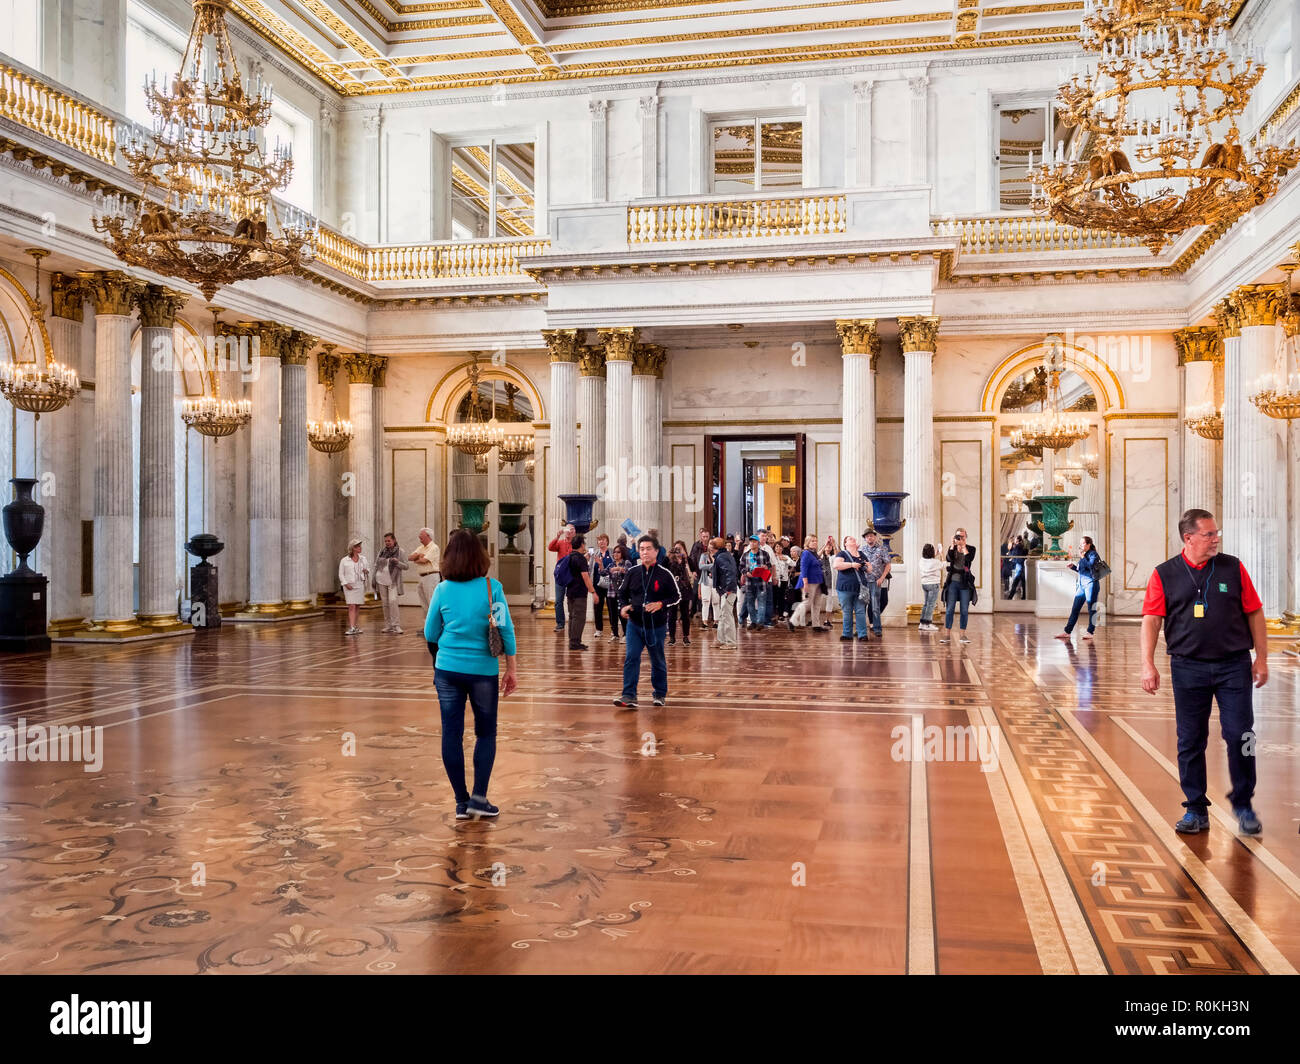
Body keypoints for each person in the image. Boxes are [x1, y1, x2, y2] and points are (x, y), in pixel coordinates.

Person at [1141, 509, 1268, 836]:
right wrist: (1147, 663)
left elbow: (1254, 612)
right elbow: (1152, 620)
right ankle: (1195, 809)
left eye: (1216, 534)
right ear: (1189, 537)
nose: (1216, 540)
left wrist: (1261, 658)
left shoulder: (1233, 567)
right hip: (1187, 667)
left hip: (1234, 665)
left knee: (1242, 735)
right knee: (1190, 739)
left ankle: (1243, 802)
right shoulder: (1164, 574)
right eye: (1209, 534)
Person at [424, 528, 518, 821]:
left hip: (448, 669)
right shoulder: (493, 588)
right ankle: (479, 797)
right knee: (485, 732)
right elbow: (505, 629)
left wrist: (443, 654)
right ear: (481, 557)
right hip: (483, 672)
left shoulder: (442, 589)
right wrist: (511, 669)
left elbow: (430, 632)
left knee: (451, 733)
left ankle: (461, 803)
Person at [614, 535, 680, 708]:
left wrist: (660, 604)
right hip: (634, 624)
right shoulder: (632, 572)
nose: (644, 552)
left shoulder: (665, 574)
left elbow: (676, 597)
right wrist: (623, 607)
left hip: (655, 626)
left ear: (656, 551)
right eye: (641, 549)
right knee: (631, 657)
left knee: (657, 660)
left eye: (648, 549)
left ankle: (659, 694)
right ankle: (628, 695)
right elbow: (622, 593)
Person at [1057, 535, 1102, 642]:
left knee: (1092, 608)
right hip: (1081, 585)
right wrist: (1073, 567)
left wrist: (1083, 558)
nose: (1080, 545)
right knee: (1075, 608)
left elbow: (1091, 567)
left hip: (1091, 584)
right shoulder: (1084, 555)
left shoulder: (1093, 554)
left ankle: (1090, 632)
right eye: (1080, 543)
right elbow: (1082, 570)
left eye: (1082, 543)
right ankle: (1067, 632)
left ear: (1088, 544)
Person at [940, 528, 977, 643]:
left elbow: (969, 559)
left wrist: (964, 547)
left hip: (965, 583)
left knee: (964, 610)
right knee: (950, 609)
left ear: (966, 537)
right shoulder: (953, 548)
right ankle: (947, 635)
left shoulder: (971, 549)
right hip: (953, 583)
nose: (960, 539)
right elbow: (948, 559)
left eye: (962, 537)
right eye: (958, 537)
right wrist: (952, 545)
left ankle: (962, 635)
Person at [832, 534, 870, 641]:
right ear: (845, 544)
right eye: (849, 539)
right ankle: (847, 634)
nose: (852, 539)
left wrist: (864, 565)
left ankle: (862, 634)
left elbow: (870, 569)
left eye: (853, 538)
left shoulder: (862, 554)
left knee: (860, 611)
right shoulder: (842, 553)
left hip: (860, 588)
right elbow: (836, 565)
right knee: (847, 611)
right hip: (845, 588)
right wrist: (852, 565)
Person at [564, 534, 598, 650]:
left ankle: (572, 641)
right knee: (579, 618)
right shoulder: (581, 559)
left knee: (572, 617)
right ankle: (575, 643)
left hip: (570, 591)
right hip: (579, 593)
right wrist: (593, 592)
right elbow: (585, 577)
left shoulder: (570, 557)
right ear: (582, 544)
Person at [373, 532, 410, 634]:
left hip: (393, 581)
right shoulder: (382, 551)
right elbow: (376, 564)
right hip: (381, 580)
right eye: (385, 541)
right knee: (385, 603)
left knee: (393, 601)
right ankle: (388, 625)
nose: (387, 543)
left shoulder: (400, 551)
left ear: (394, 540)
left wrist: (397, 562)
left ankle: (396, 625)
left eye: (389, 540)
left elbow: (406, 566)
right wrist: (374, 578)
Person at [788, 534, 827, 631]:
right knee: (807, 602)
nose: (815, 542)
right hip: (809, 582)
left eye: (816, 540)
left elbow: (818, 556)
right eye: (812, 541)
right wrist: (805, 583)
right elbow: (803, 568)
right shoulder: (806, 553)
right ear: (807, 542)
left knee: (817, 604)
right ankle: (792, 621)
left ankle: (816, 625)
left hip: (818, 581)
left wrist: (825, 545)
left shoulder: (813, 553)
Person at [859, 529, 892, 637]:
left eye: (871, 536)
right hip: (864, 581)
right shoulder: (861, 550)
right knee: (861, 606)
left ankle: (877, 628)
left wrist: (882, 578)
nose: (870, 538)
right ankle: (861, 629)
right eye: (867, 536)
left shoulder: (882, 549)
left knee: (875, 606)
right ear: (865, 538)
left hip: (875, 581)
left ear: (875, 537)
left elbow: (888, 564)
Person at [665, 540, 695, 646]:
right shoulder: (669, 559)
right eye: (676, 548)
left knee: (685, 614)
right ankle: (672, 637)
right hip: (672, 589)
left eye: (680, 548)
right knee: (672, 614)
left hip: (685, 588)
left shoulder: (686, 559)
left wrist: (685, 557)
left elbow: (694, 569)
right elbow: (662, 567)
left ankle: (686, 636)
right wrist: (669, 554)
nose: (677, 551)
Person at [711, 537, 739, 648]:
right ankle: (721, 640)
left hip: (728, 590)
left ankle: (731, 642)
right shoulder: (723, 555)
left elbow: (730, 573)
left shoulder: (722, 557)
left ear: (714, 547)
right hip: (726, 589)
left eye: (710, 544)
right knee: (723, 615)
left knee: (727, 615)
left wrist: (728, 589)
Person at [338, 538, 369, 635]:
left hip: (359, 584)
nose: (360, 548)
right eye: (358, 546)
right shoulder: (344, 560)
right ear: (353, 548)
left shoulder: (363, 559)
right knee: (351, 606)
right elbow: (341, 574)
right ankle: (351, 627)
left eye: (360, 546)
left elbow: (368, 569)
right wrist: (345, 584)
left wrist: (366, 571)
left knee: (357, 606)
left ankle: (355, 626)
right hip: (349, 586)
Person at [548, 524, 575, 633]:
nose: (569, 532)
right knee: (558, 601)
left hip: (572, 575)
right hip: (560, 575)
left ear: (574, 532)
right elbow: (550, 548)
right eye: (567, 529)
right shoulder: (560, 543)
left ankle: (573, 622)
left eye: (571, 530)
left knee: (572, 600)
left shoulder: (576, 543)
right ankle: (560, 624)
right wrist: (557, 536)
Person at [603, 543, 631, 641]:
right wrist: (600, 564)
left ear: (622, 553)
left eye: (618, 552)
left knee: (622, 613)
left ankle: (626, 634)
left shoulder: (626, 562)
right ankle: (615, 634)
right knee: (612, 614)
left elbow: (629, 572)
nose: (616, 554)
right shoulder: (611, 564)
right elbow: (603, 573)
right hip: (611, 592)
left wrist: (619, 568)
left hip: (622, 593)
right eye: (614, 552)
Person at [740, 535, 769, 630]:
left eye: (754, 542)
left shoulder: (764, 554)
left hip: (761, 581)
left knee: (761, 603)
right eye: (751, 542)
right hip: (749, 581)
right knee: (750, 603)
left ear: (758, 543)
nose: (752, 543)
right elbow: (741, 567)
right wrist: (745, 573)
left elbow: (769, 564)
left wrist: (766, 567)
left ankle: (760, 622)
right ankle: (753, 621)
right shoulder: (745, 554)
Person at [408, 527, 441, 609]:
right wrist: (419, 556)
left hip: (431, 576)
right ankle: (427, 621)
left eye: (421, 535)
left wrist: (417, 559)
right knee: (423, 602)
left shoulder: (434, 547)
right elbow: (410, 558)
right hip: (422, 577)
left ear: (428, 536)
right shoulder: (421, 548)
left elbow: (424, 561)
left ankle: (435, 621)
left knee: (431, 601)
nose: (419, 537)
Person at [591, 533, 612, 637]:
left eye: (603, 540)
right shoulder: (595, 553)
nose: (601, 542)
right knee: (597, 607)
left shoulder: (612, 552)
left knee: (611, 607)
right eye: (599, 540)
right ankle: (598, 629)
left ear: (607, 541)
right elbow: (590, 569)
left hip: (610, 585)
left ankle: (614, 630)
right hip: (597, 585)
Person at [918, 543, 943, 632]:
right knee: (931, 604)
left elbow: (930, 560)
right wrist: (941, 554)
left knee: (926, 604)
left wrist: (934, 554)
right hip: (933, 584)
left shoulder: (921, 560)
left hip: (924, 584)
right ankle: (927, 624)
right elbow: (942, 564)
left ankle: (922, 623)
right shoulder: (935, 562)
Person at [697, 545, 719, 629]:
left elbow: (719, 567)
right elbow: (701, 566)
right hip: (706, 580)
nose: (711, 547)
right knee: (705, 601)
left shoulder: (718, 556)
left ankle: (716, 621)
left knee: (716, 602)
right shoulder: (704, 555)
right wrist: (712, 565)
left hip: (716, 581)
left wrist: (709, 566)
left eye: (713, 545)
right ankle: (704, 622)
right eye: (710, 545)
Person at [1007, 536, 1028, 600]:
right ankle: (1024, 596)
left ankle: (1010, 597)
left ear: (1018, 540)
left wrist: (1010, 557)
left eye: (1016, 540)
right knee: (1023, 583)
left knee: (1015, 583)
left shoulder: (1017, 547)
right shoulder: (1021, 547)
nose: (1015, 541)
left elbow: (1015, 556)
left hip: (1019, 566)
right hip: (1021, 566)